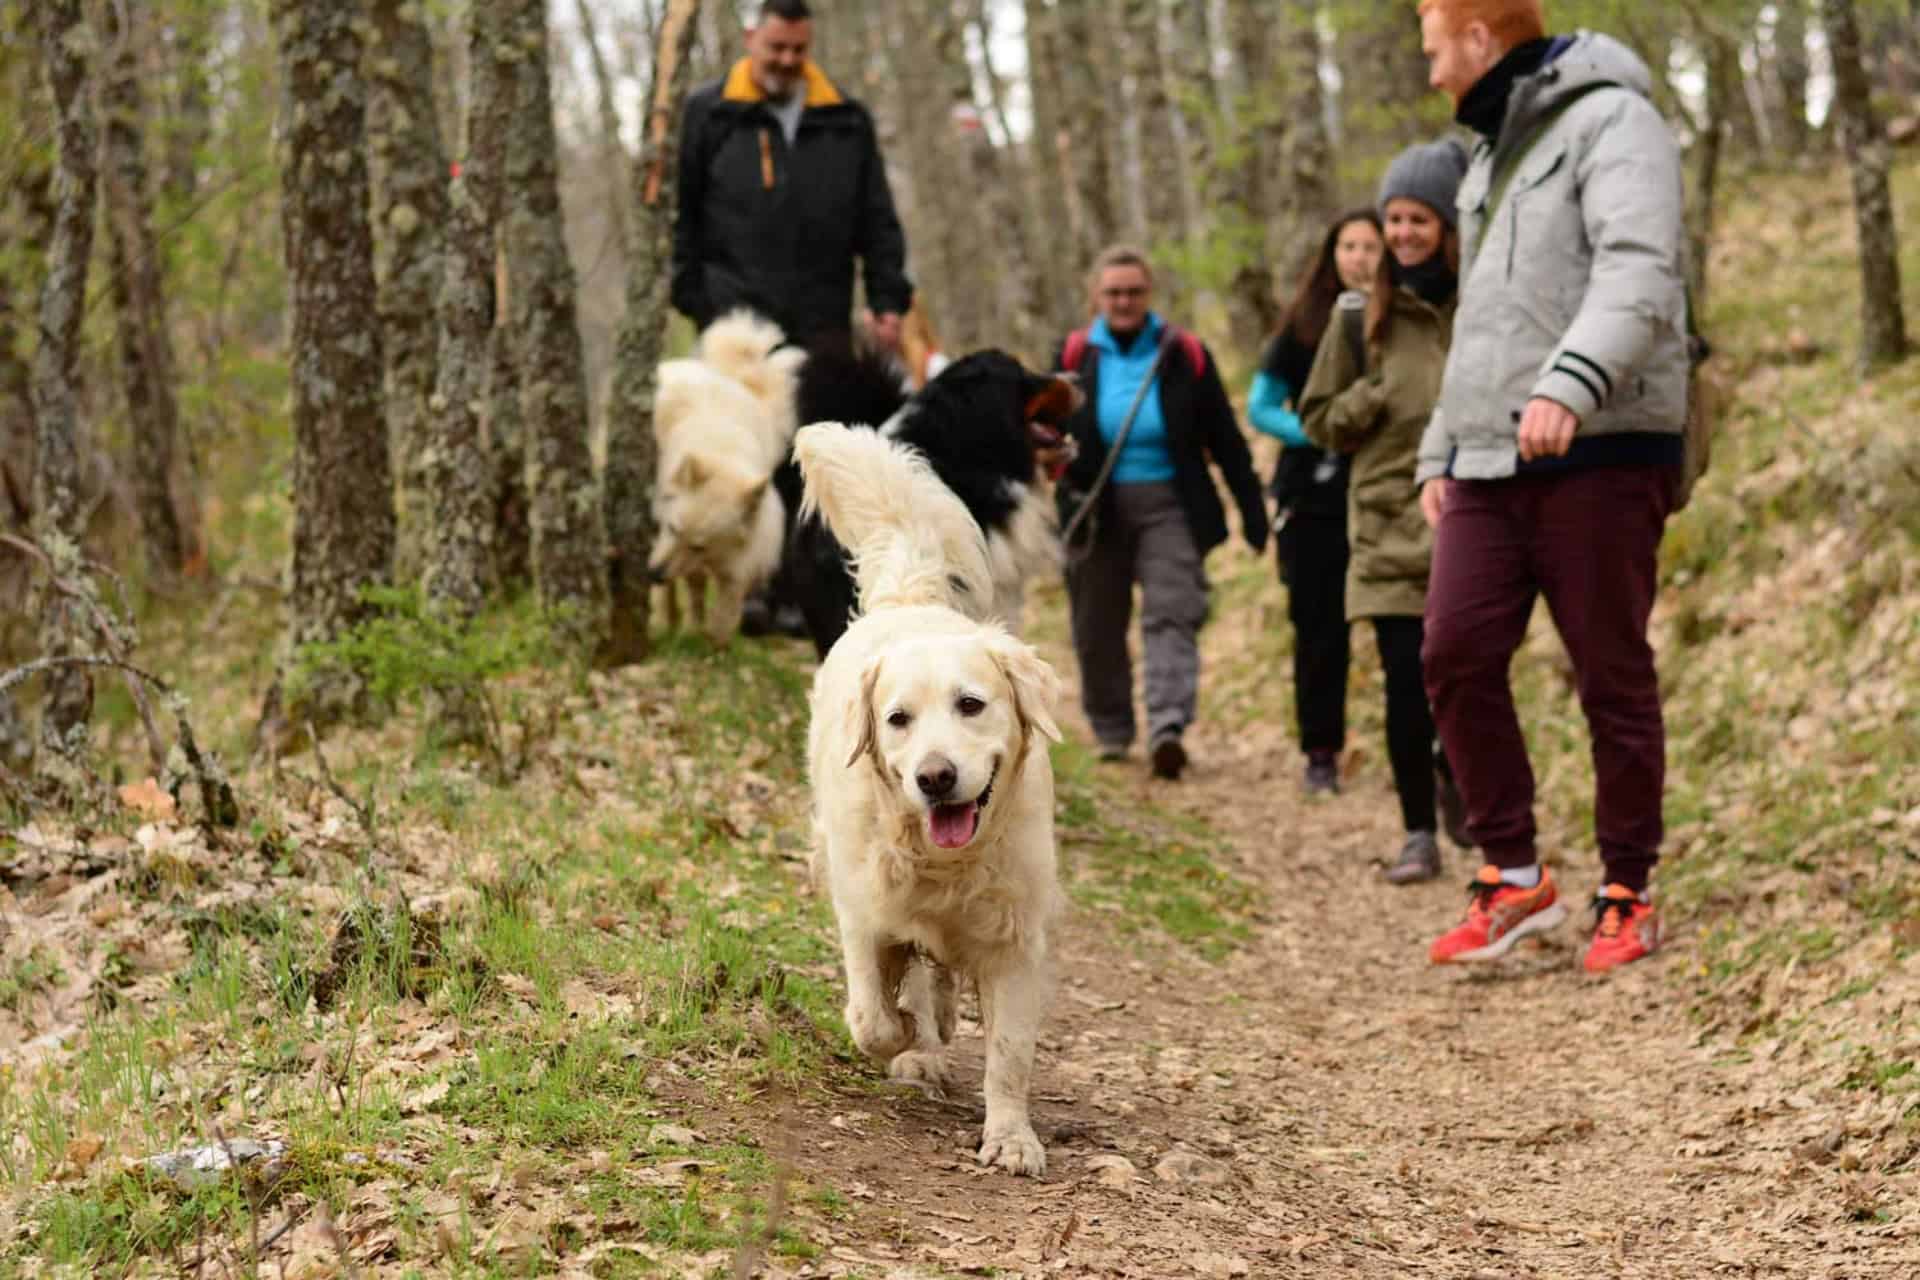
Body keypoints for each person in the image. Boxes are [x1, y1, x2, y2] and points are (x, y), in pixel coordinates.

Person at [1413, 0, 1692, 972]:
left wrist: (1573, 380)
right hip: (1491, 455)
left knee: (1608, 669)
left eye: (1433, 43)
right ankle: (1515, 870)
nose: (1429, 65)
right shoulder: (1492, 154)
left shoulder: (1616, 120)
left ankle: (1630, 887)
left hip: (1606, 446)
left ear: (1482, 38)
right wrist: (1439, 449)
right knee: (1452, 648)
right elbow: (1483, 321)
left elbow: (1640, 268)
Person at [671, 0, 914, 636]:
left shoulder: (846, 120)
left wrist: (889, 301)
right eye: (774, 48)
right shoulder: (707, 112)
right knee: (744, 460)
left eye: (796, 50)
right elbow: (681, 216)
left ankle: (804, 592)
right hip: (735, 326)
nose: (785, 61)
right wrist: (693, 298)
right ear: (751, 37)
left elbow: (878, 221)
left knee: (812, 458)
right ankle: (748, 589)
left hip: (820, 318)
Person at [1300, 141, 1469, 885]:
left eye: (1418, 218)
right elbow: (1318, 415)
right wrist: (1371, 399)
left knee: (1464, 671)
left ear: (1449, 224)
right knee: (1407, 675)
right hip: (1386, 521)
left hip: (1470, 516)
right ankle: (1418, 833)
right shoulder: (1358, 316)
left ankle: (1457, 774)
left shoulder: (1481, 304)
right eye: (1393, 218)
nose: (1402, 233)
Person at [1054, 246, 1268, 781]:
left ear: (1149, 295)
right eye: (1113, 293)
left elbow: (1225, 437)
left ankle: (1167, 726)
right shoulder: (1074, 356)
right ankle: (1111, 729)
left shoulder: (1183, 354)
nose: (1124, 302)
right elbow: (1041, 434)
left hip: (1171, 503)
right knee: (1097, 622)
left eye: (1134, 292)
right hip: (1094, 506)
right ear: (1096, 298)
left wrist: (1253, 512)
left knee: (1173, 611)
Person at [1248, 210, 1384, 797]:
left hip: (1390, 496)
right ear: (1332, 254)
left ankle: (1434, 756)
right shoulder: (1302, 327)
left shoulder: (1407, 320)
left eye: (1370, 246)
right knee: (1319, 632)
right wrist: (1319, 431)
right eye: (1349, 245)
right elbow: (1260, 406)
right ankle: (1321, 753)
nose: (1360, 257)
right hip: (1312, 500)